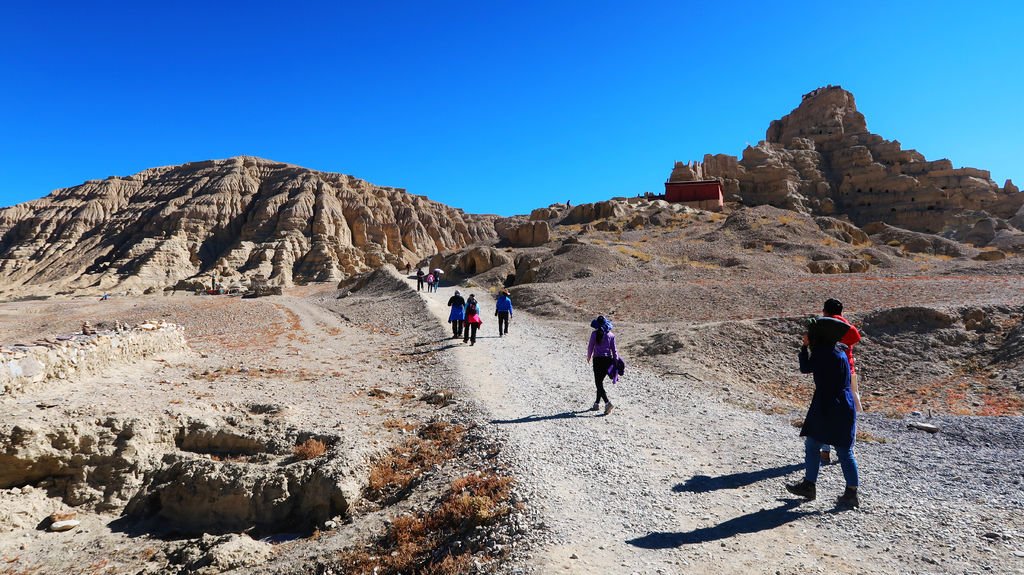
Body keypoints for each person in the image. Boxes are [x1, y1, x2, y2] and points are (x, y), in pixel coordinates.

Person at [786, 317, 861, 508]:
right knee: (844, 450)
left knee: (813, 444)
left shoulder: (822, 352)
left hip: (826, 403)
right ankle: (851, 493)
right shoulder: (839, 349)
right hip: (845, 404)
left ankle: (809, 485)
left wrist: (804, 347)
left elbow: (805, 368)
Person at [818, 298, 862, 464]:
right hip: (848, 371)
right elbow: (856, 338)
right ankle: (849, 450)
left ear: (825, 311)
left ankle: (825, 451)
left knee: (826, 410)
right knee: (849, 412)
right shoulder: (846, 326)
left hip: (827, 372)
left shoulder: (822, 325)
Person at [586, 315, 617, 415]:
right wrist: (615, 360)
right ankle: (596, 404)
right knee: (600, 383)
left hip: (598, 360)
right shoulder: (611, 335)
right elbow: (614, 350)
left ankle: (607, 403)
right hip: (608, 360)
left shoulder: (594, 334)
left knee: (598, 383)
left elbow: (590, 346)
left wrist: (589, 356)